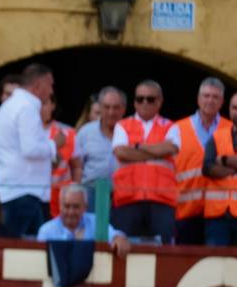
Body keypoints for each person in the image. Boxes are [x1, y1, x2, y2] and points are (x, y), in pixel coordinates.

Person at [0, 62, 60, 238]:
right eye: (50, 85)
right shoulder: (26, 108)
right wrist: (54, 145)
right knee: (25, 251)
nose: (51, 91)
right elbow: (30, 149)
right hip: (24, 192)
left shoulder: (12, 105)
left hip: (18, 191)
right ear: (38, 85)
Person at [111, 79, 178, 244]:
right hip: (128, 197)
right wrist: (155, 152)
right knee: (124, 249)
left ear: (159, 101)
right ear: (134, 102)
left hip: (161, 199)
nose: (145, 103)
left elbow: (169, 149)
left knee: (163, 251)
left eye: (150, 99)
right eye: (140, 99)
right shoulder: (122, 125)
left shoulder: (171, 126)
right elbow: (121, 152)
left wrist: (137, 147)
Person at [171, 78, 228, 247]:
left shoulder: (231, 129)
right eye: (206, 96)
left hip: (220, 213)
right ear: (198, 99)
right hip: (184, 211)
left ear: (222, 102)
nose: (210, 100)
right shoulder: (177, 129)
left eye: (215, 97)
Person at [37, 182, 131, 256]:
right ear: (60, 206)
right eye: (67, 206)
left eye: (76, 207)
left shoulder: (96, 222)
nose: (71, 212)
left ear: (85, 207)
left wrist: (119, 239)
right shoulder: (46, 230)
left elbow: (114, 235)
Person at [75, 86, 125, 210]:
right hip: (91, 193)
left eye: (116, 107)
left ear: (123, 109)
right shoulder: (85, 132)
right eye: (107, 107)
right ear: (100, 107)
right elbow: (76, 167)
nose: (111, 112)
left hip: (123, 194)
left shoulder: (132, 131)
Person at [201, 91, 237, 247]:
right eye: (235, 108)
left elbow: (215, 163)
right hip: (217, 215)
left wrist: (223, 160)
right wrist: (234, 169)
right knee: (215, 265)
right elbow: (207, 167)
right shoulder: (217, 136)